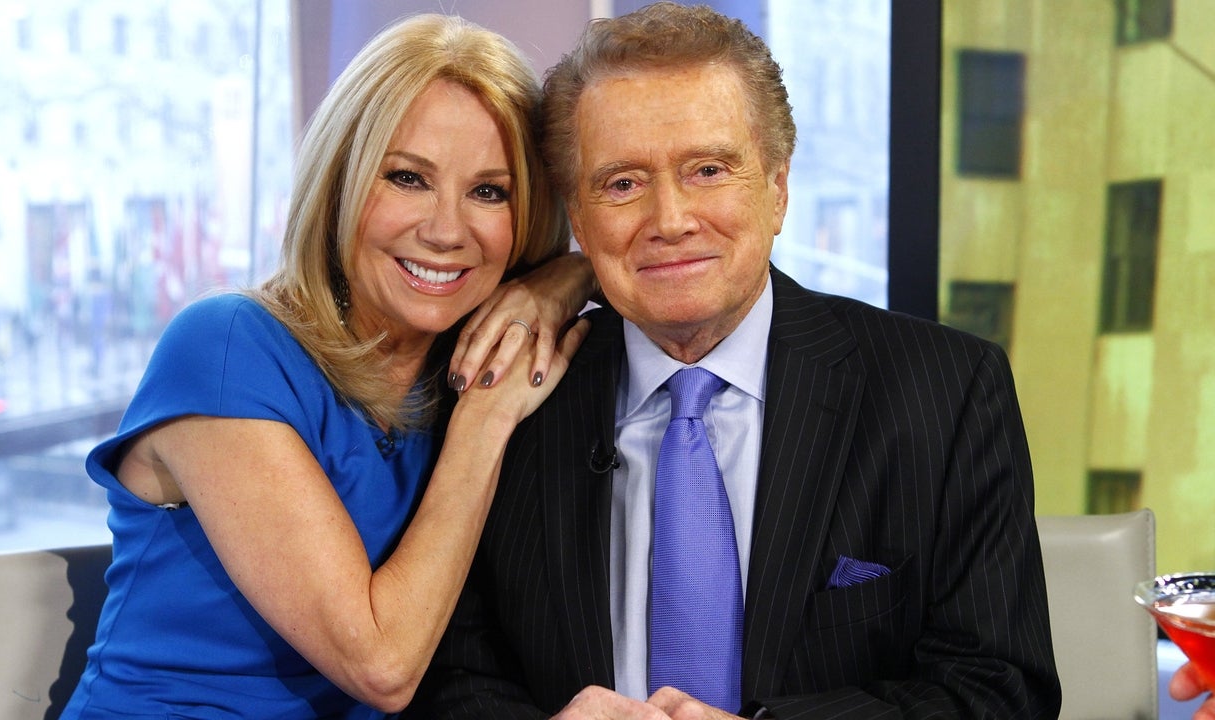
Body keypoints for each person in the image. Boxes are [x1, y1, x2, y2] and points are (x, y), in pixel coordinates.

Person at [408, 3, 1061, 718]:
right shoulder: (506, 399)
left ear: (778, 189)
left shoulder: (946, 392)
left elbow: (999, 691)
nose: (671, 220)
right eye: (622, 183)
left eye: (709, 170)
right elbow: (452, 680)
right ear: (579, 220)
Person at [60, 13, 597, 719]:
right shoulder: (227, 346)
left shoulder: (456, 361)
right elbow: (382, 665)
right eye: (407, 178)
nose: (445, 230)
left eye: (489, 192)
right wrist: (485, 418)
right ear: (339, 183)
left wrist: (565, 278)